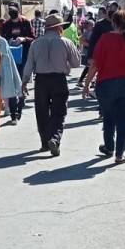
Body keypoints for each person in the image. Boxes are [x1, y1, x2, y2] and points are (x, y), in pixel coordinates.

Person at [81, 10, 125, 164]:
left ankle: (108, 147)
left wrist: (86, 85)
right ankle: (119, 154)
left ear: (113, 22)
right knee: (124, 121)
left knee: (108, 117)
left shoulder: (105, 39)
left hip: (107, 85)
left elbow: (95, 65)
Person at [22, 13, 80, 156]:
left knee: (41, 111)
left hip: (41, 80)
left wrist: (24, 82)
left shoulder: (36, 43)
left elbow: (29, 65)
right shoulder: (66, 42)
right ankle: (54, 138)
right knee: (59, 111)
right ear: (59, 28)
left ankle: (44, 142)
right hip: (59, 79)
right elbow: (76, 63)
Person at [0, 3, 35, 123]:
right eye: (10, 10)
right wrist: (9, 41)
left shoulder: (25, 22)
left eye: (13, 10)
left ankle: (18, 110)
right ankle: (13, 114)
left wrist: (23, 39)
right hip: (9, 59)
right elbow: (1, 39)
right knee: (11, 85)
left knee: (20, 84)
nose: (11, 12)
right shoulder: (6, 25)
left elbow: (33, 38)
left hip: (23, 58)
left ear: (19, 10)